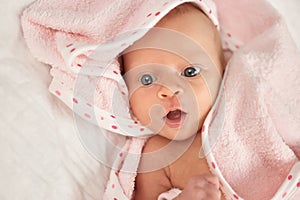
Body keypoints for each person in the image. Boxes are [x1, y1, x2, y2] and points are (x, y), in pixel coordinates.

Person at [122, 3, 226, 200]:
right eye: (147, 79)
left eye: (190, 72)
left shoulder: (243, 108)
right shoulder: (158, 156)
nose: (169, 90)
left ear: (223, 70)